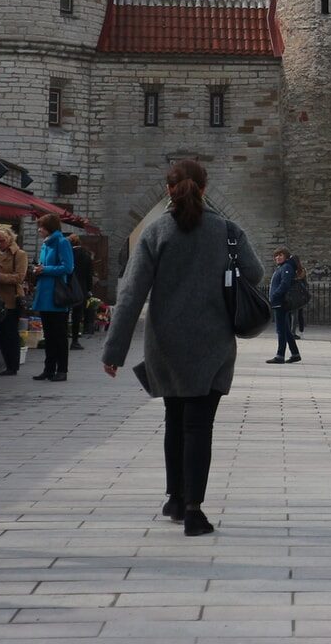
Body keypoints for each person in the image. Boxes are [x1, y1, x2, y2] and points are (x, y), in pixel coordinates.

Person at [102, 159, 263, 536]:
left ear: (168, 190)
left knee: (174, 421)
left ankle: (175, 497)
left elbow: (131, 293)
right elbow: (255, 273)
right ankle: (193, 510)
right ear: (205, 188)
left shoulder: (156, 232)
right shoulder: (227, 231)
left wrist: (114, 351)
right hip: (212, 344)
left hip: (166, 345)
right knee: (198, 426)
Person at [30, 214, 74, 381]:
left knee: (59, 335)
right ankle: (48, 369)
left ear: (50, 227)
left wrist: (45, 270)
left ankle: (62, 370)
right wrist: (37, 269)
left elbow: (68, 267)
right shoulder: (46, 244)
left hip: (56, 295)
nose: (39, 230)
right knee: (48, 335)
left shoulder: (62, 242)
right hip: (44, 294)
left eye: (41, 227)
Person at [0, 226, 28, 376]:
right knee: (0, 333)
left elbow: (19, 277)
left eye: (2, 241)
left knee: (10, 333)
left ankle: (12, 365)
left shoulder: (19, 254)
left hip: (11, 298)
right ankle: (2, 364)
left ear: (10, 239)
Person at [266, 248, 302, 364]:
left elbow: (285, 284)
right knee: (286, 330)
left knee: (280, 330)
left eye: (280, 255)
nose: (277, 257)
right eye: (276, 256)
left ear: (286, 257)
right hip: (279, 302)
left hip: (280, 302)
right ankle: (295, 354)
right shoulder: (282, 267)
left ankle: (280, 355)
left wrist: (274, 296)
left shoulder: (286, 267)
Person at [68, 237, 94, 349]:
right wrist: (89, 289)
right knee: (77, 315)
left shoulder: (67, 254)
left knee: (63, 313)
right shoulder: (86, 255)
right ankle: (75, 341)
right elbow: (89, 275)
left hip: (67, 287)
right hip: (81, 288)